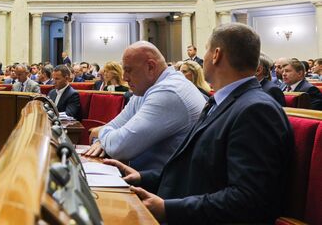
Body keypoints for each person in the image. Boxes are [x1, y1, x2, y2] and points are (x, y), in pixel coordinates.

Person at [103, 23, 293, 224]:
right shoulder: (222, 102)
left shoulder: (255, 110)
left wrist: (168, 209)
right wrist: (143, 177)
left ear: (216, 54)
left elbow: (249, 199)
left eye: (206, 49)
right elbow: (199, 170)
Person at [84, 42, 205, 171]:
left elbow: (120, 147)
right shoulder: (145, 88)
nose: (125, 77)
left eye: (129, 70)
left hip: (161, 187)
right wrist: (104, 140)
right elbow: (116, 126)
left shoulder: (169, 92)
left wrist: (100, 133)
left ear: (151, 67)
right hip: (143, 177)